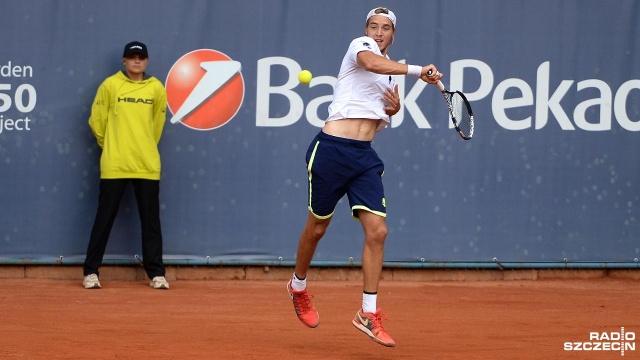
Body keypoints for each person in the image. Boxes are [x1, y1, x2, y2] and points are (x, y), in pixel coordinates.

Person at [286, 7, 443, 347]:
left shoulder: (390, 75)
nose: (378, 32)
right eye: (373, 26)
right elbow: (371, 63)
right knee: (317, 228)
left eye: (385, 28)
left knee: (379, 230)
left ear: (393, 34)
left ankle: (367, 313)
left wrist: (392, 111)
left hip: (364, 157)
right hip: (331, 150)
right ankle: (298, 286)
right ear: (365, 30)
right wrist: (418, 71)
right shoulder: (361, 47)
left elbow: (376, 116)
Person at [83, 41, 169, 290]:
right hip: (115, 163)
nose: (136, 61)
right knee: (104, 218)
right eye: (132, 57)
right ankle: (90, 272)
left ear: (147, 62)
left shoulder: (155, 88)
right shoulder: (110, 85)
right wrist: (112, 144)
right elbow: (97, 122)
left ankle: (156, 274)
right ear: (124, 61)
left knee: (151, 221)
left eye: (141, 58)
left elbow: (156, 126)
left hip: (146, 165)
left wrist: (142, 146)